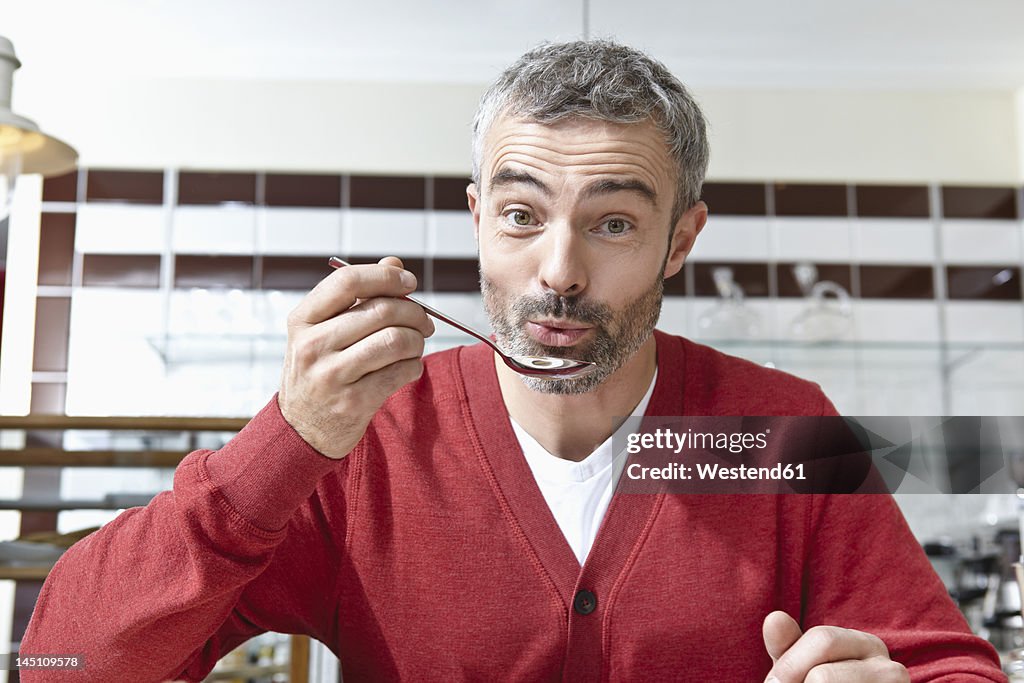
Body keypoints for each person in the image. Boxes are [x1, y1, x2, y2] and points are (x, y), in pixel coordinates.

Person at [20, 40, 1006, 683]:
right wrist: (287, 439)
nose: (559, 270)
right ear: (477, 221)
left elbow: (955, 668)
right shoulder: (367, 444)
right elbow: (65, 660)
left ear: (679, 240)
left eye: (613, 222)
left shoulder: (766, 430)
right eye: (522, 216)